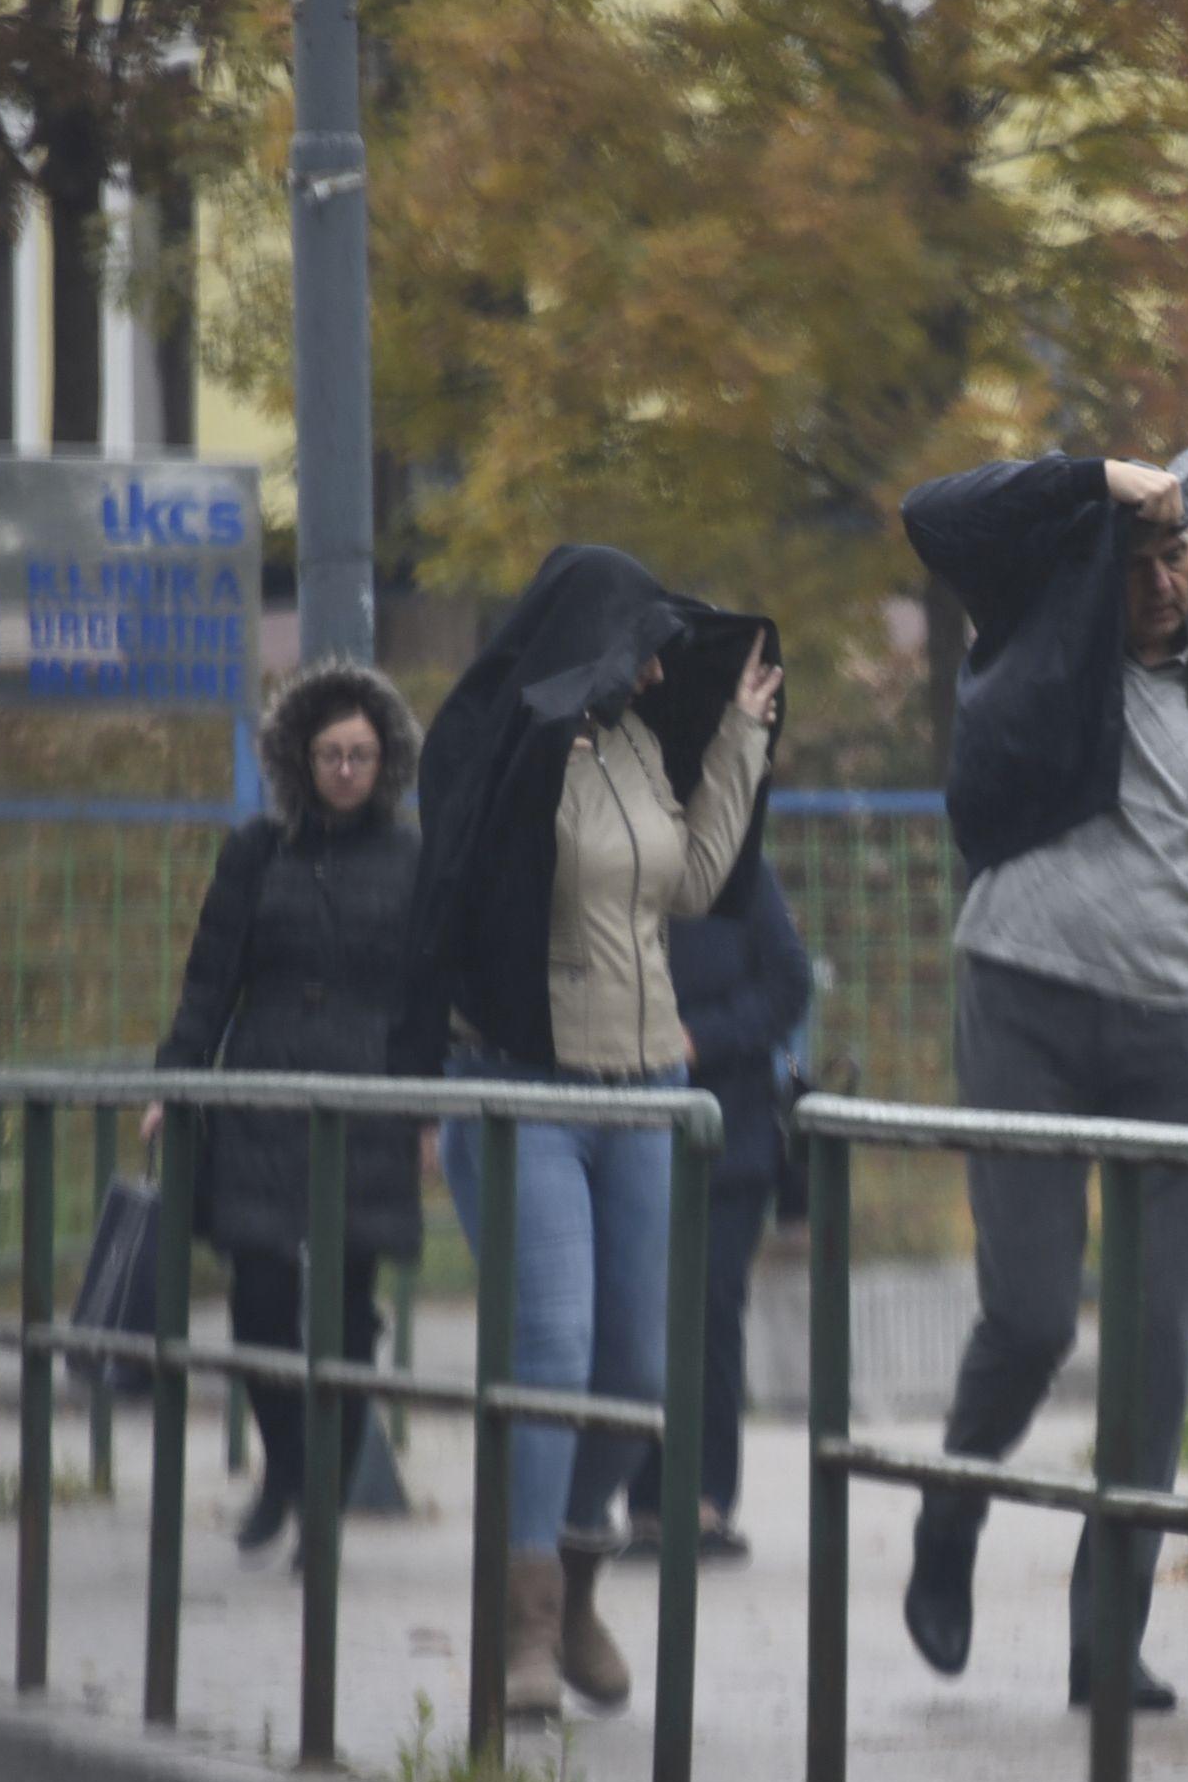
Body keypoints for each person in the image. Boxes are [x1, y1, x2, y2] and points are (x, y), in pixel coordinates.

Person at [897, 452, 1188, 1715]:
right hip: (1023, 998)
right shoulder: (1033, 633)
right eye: (1139, 565)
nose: (1165, 584)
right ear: (1097, 573)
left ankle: (1103, 1639)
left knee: (1156, 1354)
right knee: (1028, 1318)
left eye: (1181, 558)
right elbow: (935, 513)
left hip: (1186, 1038)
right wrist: (1090, 479)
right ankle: (951, 1516)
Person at [397, 545, 784, 1719]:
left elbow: (699, 880)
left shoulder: (634, 750)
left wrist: (738, 740)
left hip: (645, 1094)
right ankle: (518, 1628)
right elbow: (465, 881)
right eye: (645, 644)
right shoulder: (516, 745)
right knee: (553, 1354)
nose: (662, 664)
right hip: (526, 1090)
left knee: (639, 1369)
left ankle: (571, 1583)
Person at [150, 662, 427, 1560]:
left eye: (360, 754)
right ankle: (285, 1467)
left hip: (367, 1099)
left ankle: (320, 1512)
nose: (345, 770)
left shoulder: (413, 859)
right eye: (328, 755)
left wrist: (429, 1108)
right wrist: (175, 1081)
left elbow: (431, 1000)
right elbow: (210, 980)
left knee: (347, 1309)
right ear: (299, 760)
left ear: (383, 761)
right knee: (261, 1294)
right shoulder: (256, 852)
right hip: (262, 1090)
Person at [611, 857, 812, 1561]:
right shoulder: (613, 867)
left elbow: (790, 986)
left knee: (711, 1310)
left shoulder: (741, 878)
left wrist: (699, 1038)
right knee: (640, 1316)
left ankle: (705, 1501)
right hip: (629, 1132)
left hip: (730, 1136)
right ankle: (642, 1502)